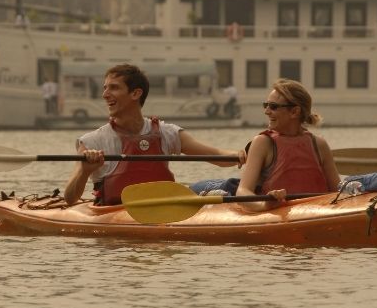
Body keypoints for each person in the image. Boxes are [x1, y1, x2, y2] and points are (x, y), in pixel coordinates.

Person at [63, 64, 246, 206]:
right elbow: (70, 198)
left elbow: (214, 154)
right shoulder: (91, 141)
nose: (105, 94)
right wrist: (85, 170)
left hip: (164, 206)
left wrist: (241, 155)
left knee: (230, 185)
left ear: (136, 93)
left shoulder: (167, 132)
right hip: (115, 211)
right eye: (105, 88)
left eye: (114, 88)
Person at [191, 78, 340, 212]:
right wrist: (265, 205)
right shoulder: (263, 142)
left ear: (294, 111)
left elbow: (338, 191)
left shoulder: (319, 144)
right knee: (197, 189)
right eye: (266, 105)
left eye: (273, 106)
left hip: (295, 203)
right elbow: (243, 191)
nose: (266, 111)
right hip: (234, 189)